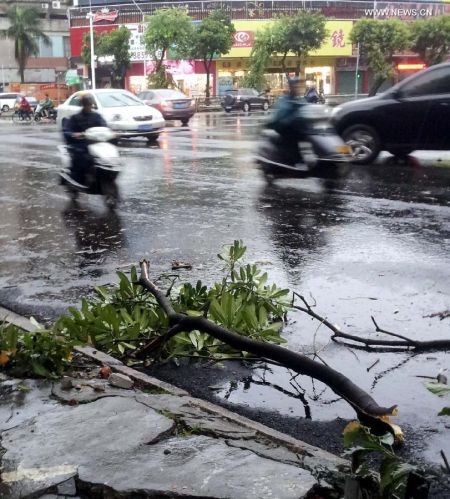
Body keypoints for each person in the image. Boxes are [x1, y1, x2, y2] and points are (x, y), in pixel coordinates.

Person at [63, 94, 107, 186]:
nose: (88, 106)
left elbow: (104, 127)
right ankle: (81, 179)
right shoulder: (75, 118)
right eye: (86, 104)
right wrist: (74, 134)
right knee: (82, 158)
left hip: (96, 144)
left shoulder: (97, 116)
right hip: (81, 144)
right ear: (83, 105)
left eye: (90, 104)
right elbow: (67, 131)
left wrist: (112, 133)